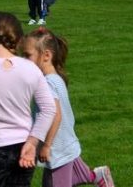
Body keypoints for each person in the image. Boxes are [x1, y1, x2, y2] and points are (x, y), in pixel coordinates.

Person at [23, 28, 114, 187]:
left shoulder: (47, 83)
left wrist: (46, 146)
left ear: (46, 55)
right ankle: (97, 176)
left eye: (27, 55)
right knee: (71, 177)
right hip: (66, 144)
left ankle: (96, 175)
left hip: (57, 151)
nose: (23, 60)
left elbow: (55, 115)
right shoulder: (56, 78)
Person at [0, 12, 56, 187]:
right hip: (24, 148)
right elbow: (49, 108)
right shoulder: (30, 69)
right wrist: (33, 141)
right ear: (19, 40)